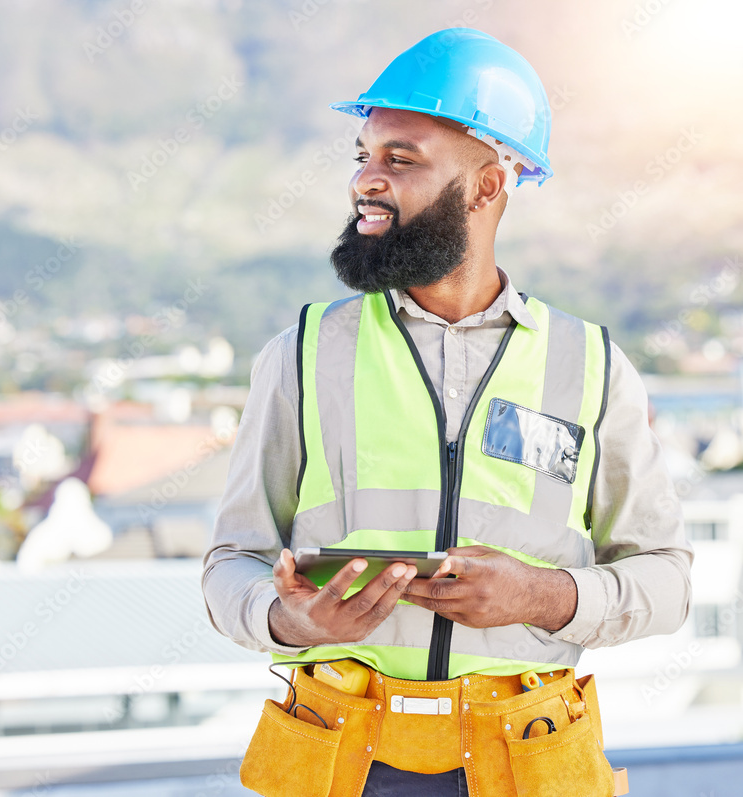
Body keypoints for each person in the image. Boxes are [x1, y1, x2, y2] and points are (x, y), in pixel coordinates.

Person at [202, 27, 692, 797]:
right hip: (344, 759)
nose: (367, 178)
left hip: (527, 760)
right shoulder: (303, 353)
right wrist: (294, 622)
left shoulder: (591, 366)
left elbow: (666, 580)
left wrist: (543, 595)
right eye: (362, 155)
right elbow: (231, 562)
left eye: (400, 159)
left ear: (488, 186)